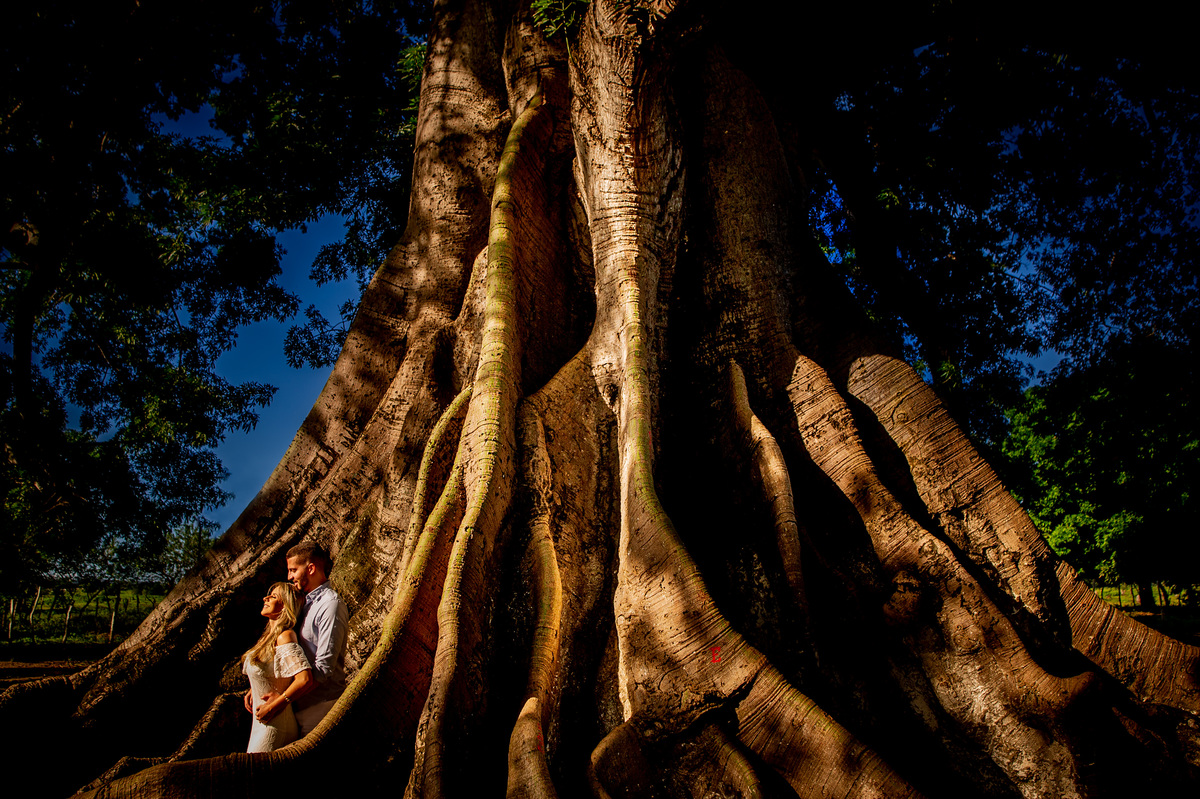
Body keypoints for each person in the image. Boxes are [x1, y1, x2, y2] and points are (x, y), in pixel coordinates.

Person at [267, 542, 350, 737]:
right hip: (294, 706)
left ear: (311, 568)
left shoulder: (330, 605)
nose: (289, 577)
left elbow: (323, 668)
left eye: (293, 570)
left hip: (321, 708)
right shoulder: (301, 604)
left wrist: (281, 699)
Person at [241, 582, 313, 753]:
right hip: (261, 723)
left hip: (275, 723)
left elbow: (305, 679)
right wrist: (255, 687)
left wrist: (275, 705)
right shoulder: (268, 637)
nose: (265, 598)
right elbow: (274, 671)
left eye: (273, 596)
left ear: (284, 606)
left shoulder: (285, 636)